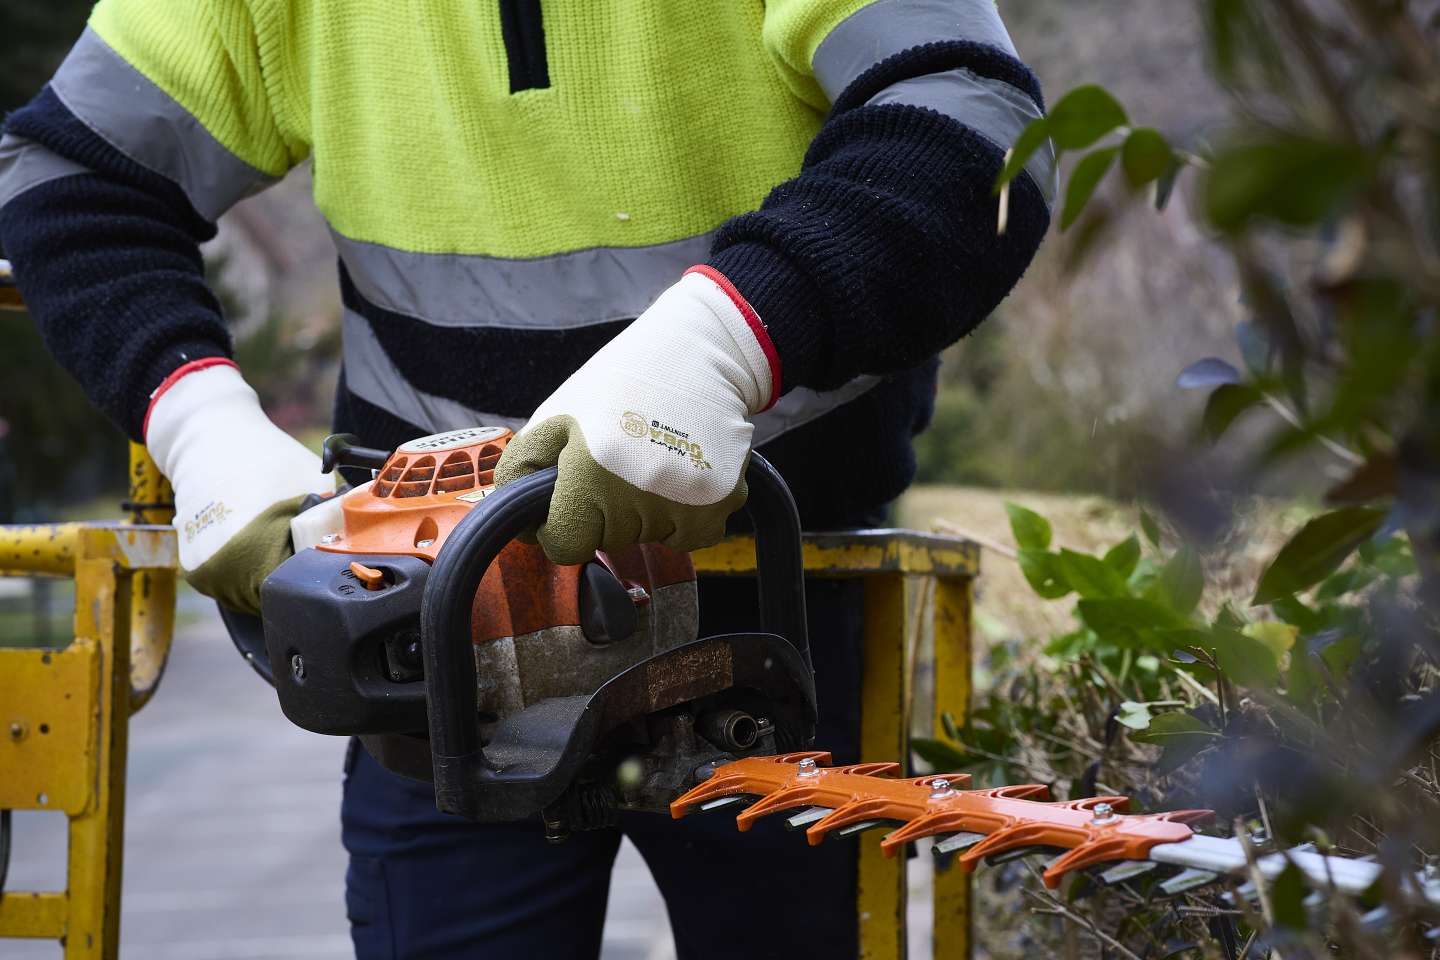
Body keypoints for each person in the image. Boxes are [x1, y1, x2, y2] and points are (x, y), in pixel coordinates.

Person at [0, 0, 1053, 956]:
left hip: (779, 596)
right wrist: (197, 417)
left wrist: (726, 341)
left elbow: (971, 120)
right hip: (433, 631)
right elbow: (68, 173)